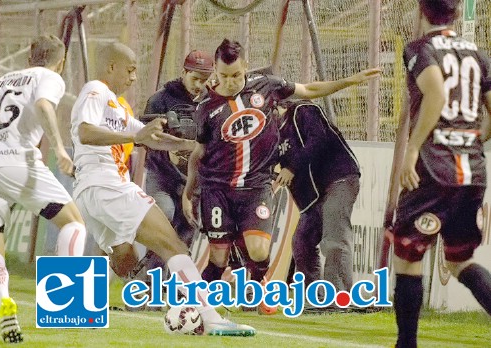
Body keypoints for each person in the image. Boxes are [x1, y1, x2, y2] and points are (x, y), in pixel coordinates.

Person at [182, 38, 380, 314]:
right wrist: (188, 192)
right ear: (214, 70)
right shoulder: (206, 107)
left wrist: (349, 81)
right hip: (220, 189)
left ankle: (269, 290)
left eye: (236, 75)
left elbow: (310, 90)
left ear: (246, 68)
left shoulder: (271, 89)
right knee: (222, 256)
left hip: (268, 186)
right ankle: (199, 304)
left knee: (262, 250)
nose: (230, 82)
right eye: (224, 76)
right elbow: (198, 152)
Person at [70, 41, 255, 336]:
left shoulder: (116, 106)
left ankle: (75, 305)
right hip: (106, 184)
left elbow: (150, 139)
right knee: (174, 246)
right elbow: (84, 131)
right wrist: (139, 133)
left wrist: (192, 145)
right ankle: (211, 317)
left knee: (125, 259)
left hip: (91, 191)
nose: (133, 78)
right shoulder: (96, 90)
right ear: (111, 68)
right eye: (130, 71)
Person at [0, 35, 87, 343]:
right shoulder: (50, 77)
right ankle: (65, 304)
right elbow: (44, 104)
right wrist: (59, 148)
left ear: (29, 57)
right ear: (61, 60)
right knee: (73, 222)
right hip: (18, 161)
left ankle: (4, 302)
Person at [393, 1, 491, 346]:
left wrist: (414, 147)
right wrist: (471, 138)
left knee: (408, 255)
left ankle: (406, 343)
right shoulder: (479, 54)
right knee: (461, 261)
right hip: (472, 172)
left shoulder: (420, 48)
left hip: (433, 171)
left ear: (422, 11)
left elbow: (435, 91)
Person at [139, 50, 214, 280]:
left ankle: (175, 288)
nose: (199, 85)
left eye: (205, 80)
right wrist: (169, 153)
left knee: (185, 233)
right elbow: (145, 139)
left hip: (193, 181)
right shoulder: (160, 100)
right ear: (184, 73)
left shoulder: (213, 103)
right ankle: (150, 284)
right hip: (161, 176)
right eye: (195, 79)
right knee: (164, 218)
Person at [275, 99, 360, 297]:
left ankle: (340, 296)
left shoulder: (303, 110)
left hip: (339, 178)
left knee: (334, 239)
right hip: (314, 196)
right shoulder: (273, 133)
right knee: (302, 242)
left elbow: (318, 138)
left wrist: (291, 168)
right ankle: (314, 297)